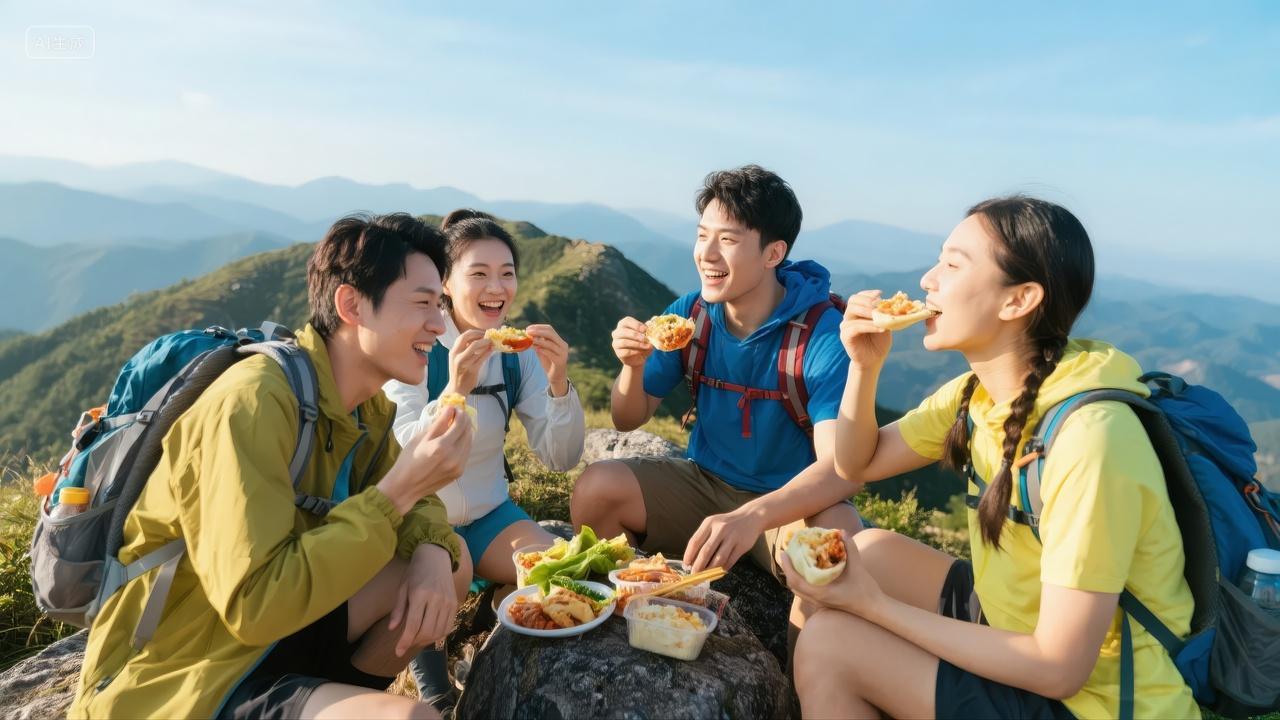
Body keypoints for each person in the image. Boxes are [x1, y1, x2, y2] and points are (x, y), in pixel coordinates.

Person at [783, 196, 1198, 719]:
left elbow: (1060, 667)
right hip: (1015, 625)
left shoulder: (1092, 440)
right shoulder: (976, 395)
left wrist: (873, 608)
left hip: (1096, 700)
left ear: (1019, 300)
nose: (929, 279)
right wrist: (863, 368)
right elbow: (855, 465)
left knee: (831, 645)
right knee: (866, 550)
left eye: (953, 265)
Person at [70, 213, 474, 720]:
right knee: (409, 718)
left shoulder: (364, 408)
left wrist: (435, 549)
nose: (439, 325)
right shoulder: (252, 402)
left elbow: (422, 507)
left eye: (439, 305)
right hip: (187, 669)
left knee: (450, 560)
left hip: (272, 635)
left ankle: (329, 695)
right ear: (351, 305)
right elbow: (253, 606)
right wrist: (395, 494)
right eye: (422, 305)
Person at [570, 165, 863, 639]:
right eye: (702, 235)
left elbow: (840, 467)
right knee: (596, 489)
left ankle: (800, 678)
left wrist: (753, 517)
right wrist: (632, 363)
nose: (706, 254)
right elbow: (629, 416)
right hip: (705, 484)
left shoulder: (822, 334)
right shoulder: (691, 315)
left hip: (790, 502)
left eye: (727, 240)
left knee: (839, 548)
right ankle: (641, 608)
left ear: (774, 253)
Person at [383, 209, 585, 711]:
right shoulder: (415, 346)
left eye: (506, 273)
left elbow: (561, 456)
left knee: (559, 575)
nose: (496, 287)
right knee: (443, 572)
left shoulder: (516, 354)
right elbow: (402, 450)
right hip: (421, 523)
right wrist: (455, 387)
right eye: (478, 274)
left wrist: (558, 381)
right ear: (445, 285)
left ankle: (494, 620)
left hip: (493, 514)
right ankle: (435, 685)